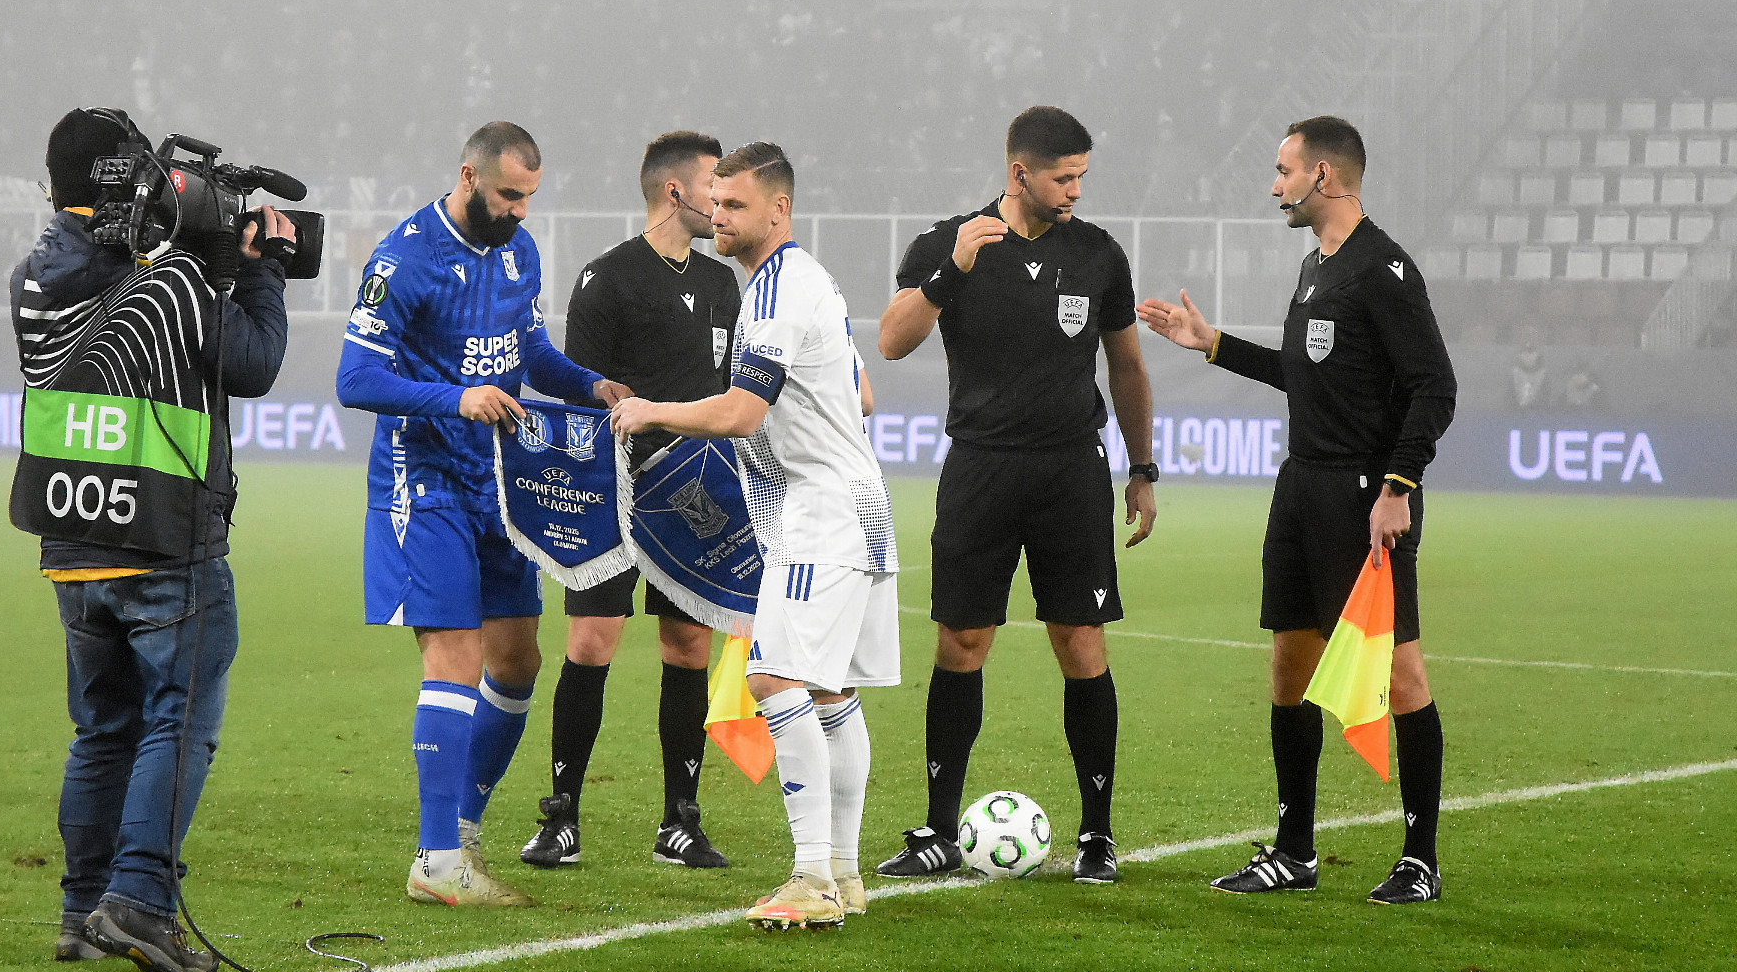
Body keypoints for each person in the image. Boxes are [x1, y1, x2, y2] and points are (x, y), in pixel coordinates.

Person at [1137, 115, 1456, 904]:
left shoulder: (1384, 269)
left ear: (1323, 174)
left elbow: (1435, 386)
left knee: (1400, 673)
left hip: (1364, 494)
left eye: (1283, 170)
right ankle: (1294, 850)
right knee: (1289, 666)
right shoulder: (1317, 266)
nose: (1274, 184)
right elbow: (1304, 371)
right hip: (1301, 489)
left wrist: (1398, 487)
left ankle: (1420, 860)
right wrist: (1212, 343)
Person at [11, 107, 296, 972]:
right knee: (178, 720)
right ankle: (137, 898)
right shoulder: (169, 281)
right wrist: (260, 271)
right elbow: (252, 362)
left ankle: (80, 910)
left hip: (71, 536)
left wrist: (202, 258)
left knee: (101, 729)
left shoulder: (31, 278)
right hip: (165, 538)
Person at [335, 122, 629, 908]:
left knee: (518, 662)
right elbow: (355, 378)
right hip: (424, 478)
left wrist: (591, 384)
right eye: (509, 195)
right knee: (456, 657)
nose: (521, 210)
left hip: (498, 481)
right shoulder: (403, 259)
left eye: (529, 196)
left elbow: (530, 352)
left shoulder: (518, 252)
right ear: (468, 176)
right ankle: (436, 860)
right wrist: (456, 398)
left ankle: (461, 831)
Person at [612, 142, 897, 929]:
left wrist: (652, 409)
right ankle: (843, 872)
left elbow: (742, 413)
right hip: (858, 506)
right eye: (716, 202)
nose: (719, 216)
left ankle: (811, 877)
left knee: (774, 679)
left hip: (820, 512)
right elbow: (863, 394)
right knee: (832, 692)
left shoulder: (775, 292)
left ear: (780, 209)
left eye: (735, 204)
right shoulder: (807, 280)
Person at [874, 106, 1157, 885]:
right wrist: (952, 270)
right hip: (981, 468)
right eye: (1063, 178)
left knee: (1082, 643)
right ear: (1019, 172)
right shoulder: (949, 242)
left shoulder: (1097, 254)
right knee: (960, 643)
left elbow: (1127, 367)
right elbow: (892, 340)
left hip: (1071, 472)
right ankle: (938, 830)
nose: (1075, 191)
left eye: (1081, 177)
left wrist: (1142, 467)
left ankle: (1097, 834)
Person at [521, 131, 740, 871]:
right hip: (613, 493)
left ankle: (681, 820)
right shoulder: (607, 278)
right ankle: (561, 816)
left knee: (688, 647)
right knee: (591, 643)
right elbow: (582, 397)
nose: (723, 198)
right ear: (674, 191)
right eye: (714, 184)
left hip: (695, 495)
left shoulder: (722, 285)